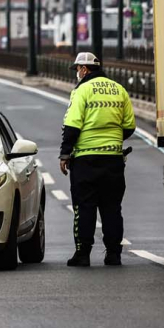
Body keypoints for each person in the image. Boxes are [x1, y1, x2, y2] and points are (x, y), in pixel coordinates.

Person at [59, 52, 135, 267]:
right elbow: (129, 126)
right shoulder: (119, 89)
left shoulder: (81, 90)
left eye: (77, 69)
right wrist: (112, 140)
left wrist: (65, 153)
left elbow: (72, 125)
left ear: (84, 69)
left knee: (84, 207)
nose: (77, 73)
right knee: (112, 208)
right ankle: (113, 254)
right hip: (113, 160)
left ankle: (82, 254)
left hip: (85, 160)